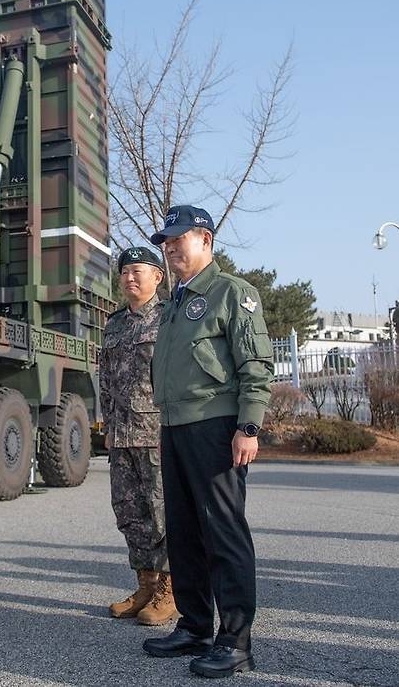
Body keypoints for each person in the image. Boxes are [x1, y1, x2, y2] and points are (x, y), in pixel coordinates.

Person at [142, 206, 272, 678]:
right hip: (174, 426)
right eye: (166, 241)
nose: (170, 247)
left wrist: (248, 426)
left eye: (180, 239)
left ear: (206, 240)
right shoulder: (174, 301)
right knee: (183, 532)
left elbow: (256, 364)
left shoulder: (231, 293)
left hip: (217, 427)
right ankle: (195, 626)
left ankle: (235, 641)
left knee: (223, 533)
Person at [99, 246, 178, 626]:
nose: (130, 278)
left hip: (157, 432)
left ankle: (170, 590)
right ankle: (145, 583)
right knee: (130, 514)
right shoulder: (114, 324)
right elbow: (106, 381)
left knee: (162, 512)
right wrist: (108, 427)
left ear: (158, 277)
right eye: (125, 272)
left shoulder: (170, 319)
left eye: (138, 271)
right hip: (122, 434)